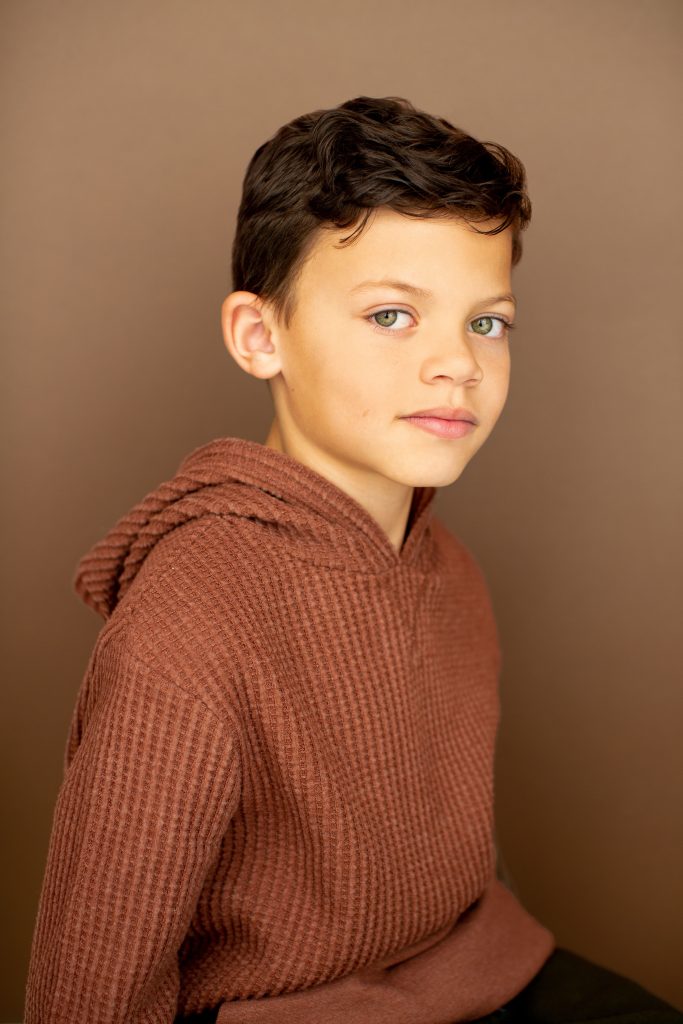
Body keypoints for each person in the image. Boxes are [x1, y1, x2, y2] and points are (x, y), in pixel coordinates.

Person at [24, 95, 682, 1023]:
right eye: (390, 315)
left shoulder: (446, 566)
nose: (457, 364)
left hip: (478, 968)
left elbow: (441, 863)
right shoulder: (190, 626)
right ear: (260, 337)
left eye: (486, 323)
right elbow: (90, 987)